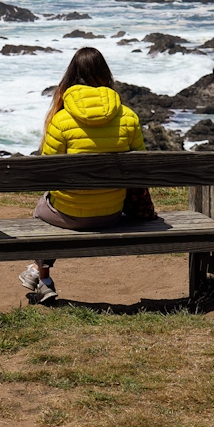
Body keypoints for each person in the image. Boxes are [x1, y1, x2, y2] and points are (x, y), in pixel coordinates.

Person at [19, 47, 144, 303]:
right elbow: (141, 167)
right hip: (111, 214)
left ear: (71, 76)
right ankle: (38, 276)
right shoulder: (128, 117)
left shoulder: (62, 120)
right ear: (105, 75)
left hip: (68, 216)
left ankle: (42, 276)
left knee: (41, 211)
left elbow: (46, 171)